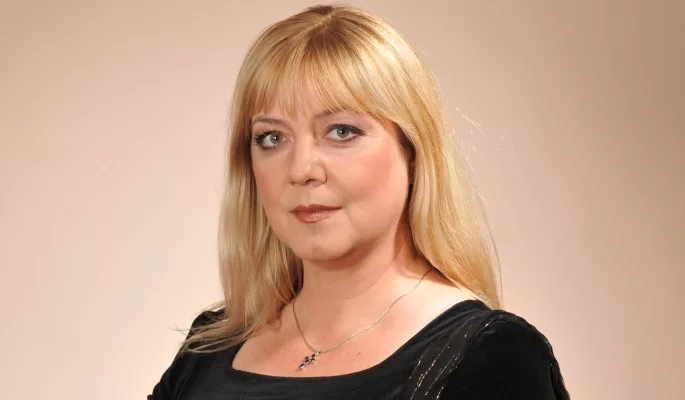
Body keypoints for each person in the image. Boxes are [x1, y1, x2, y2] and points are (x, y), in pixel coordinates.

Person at [148, 4, 569, 399]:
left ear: (412, 153)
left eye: (341, 131)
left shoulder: (490, 354)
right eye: (272, 137)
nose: (301, 169)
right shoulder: (210, 347)